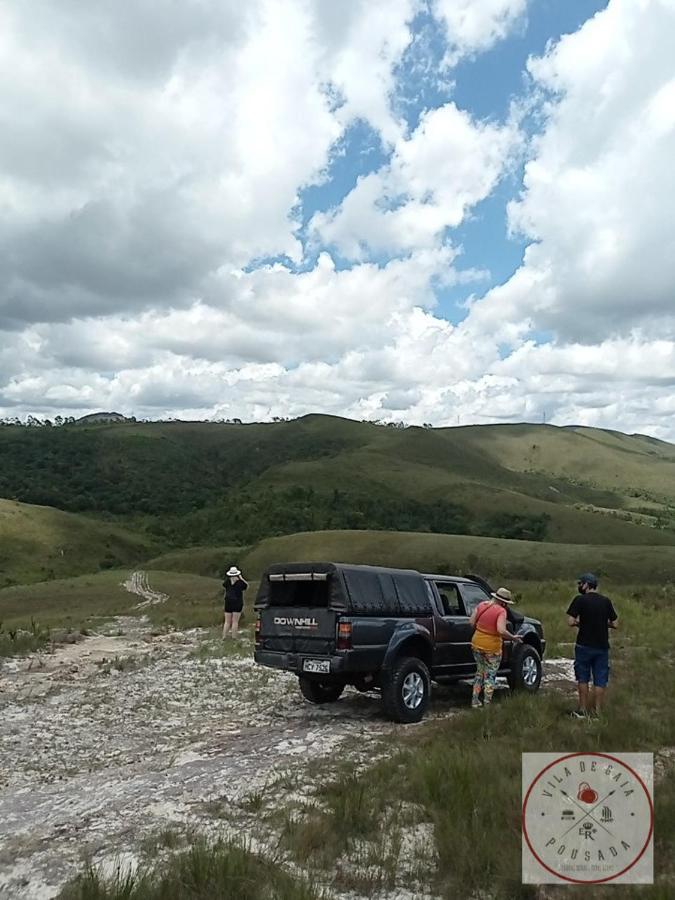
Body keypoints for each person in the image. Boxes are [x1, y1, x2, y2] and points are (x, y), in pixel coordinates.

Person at [567, 573, 618, 719]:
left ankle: (582, 709)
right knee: (600, 679)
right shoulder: (606, 601)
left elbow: (570, 621)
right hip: (602, 646)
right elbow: (615, 624)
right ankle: (598, 711)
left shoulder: (580, 600)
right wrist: (604, 623)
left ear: (587, 585)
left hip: (584, 645)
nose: (580, 586)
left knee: (583, 678)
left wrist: (580, 623)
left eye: (581, 584)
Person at [469, 587, 523, 708]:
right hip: (492, 648)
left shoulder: (482, 605)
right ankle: (487, 703)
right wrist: (513, 637)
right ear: (503, 602)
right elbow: (501, 630)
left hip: (477, 643)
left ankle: (475, 700)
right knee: (490, 675)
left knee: (479, 672)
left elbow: (471, 622)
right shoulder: (501, 611)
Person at [222, 566, 248, 638]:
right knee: (235, 621)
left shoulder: (227, 582)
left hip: (228, 602)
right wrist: (241, 578)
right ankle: (234, 637)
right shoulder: (240, 583)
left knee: (227, 621)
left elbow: (223, 585)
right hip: (237, 603)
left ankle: (224, 636)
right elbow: (246, 586)